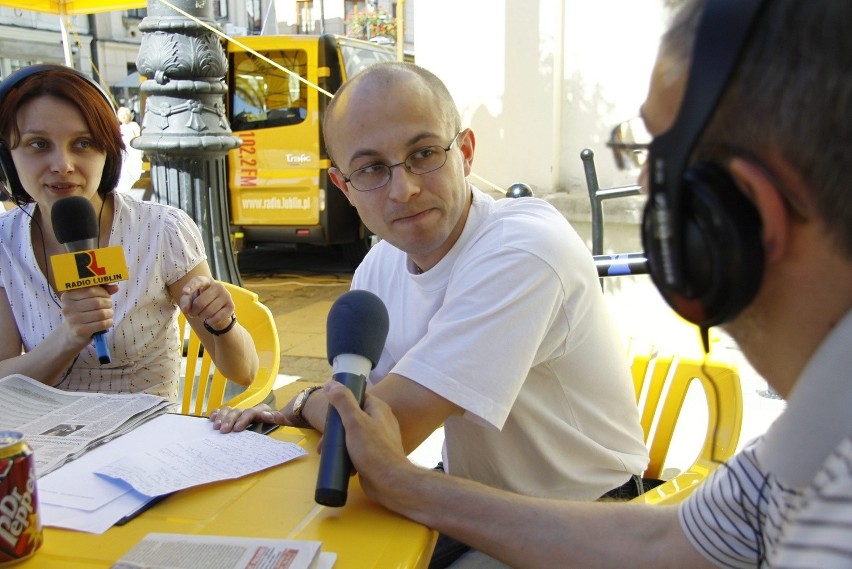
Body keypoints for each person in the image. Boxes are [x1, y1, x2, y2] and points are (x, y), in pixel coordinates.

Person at [318, 0, 852, 567]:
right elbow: (667, 543)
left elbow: (385, 419)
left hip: (581, 503)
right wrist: (406, 484)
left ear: (735, 213)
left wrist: (337, 417)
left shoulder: (835, 506)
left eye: (660, 157)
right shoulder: (811, 434)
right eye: (373, 170)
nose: (645, 184)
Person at [212, 59, 649, 565]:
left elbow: (379, 432)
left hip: (584, 519)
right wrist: (300, 410)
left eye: (423, 154)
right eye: (373, 168)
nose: (404, 189)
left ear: (463, 152)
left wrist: (308, 398)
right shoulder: (380, 265)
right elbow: (363, 414)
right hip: (469, 496)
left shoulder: (523, 251)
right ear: (345, 187)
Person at [0, 65, 259, 400]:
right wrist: (69, 336)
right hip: (53, 441)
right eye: (38, 144)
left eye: (82, 143)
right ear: (6, 158)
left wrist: (222, 322)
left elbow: (244, 371)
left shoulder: (162, 230)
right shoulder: (5, 241)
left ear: (108, 153)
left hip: (148, 439)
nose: (62, 164)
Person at [115, 106, 143, 194]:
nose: (123, 117)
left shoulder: (133, 125)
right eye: (121, 115)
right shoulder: (119, 128)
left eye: (125, 115)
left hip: (134, 152)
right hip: (123, 153)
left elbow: (139, 137)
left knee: (134, 170)